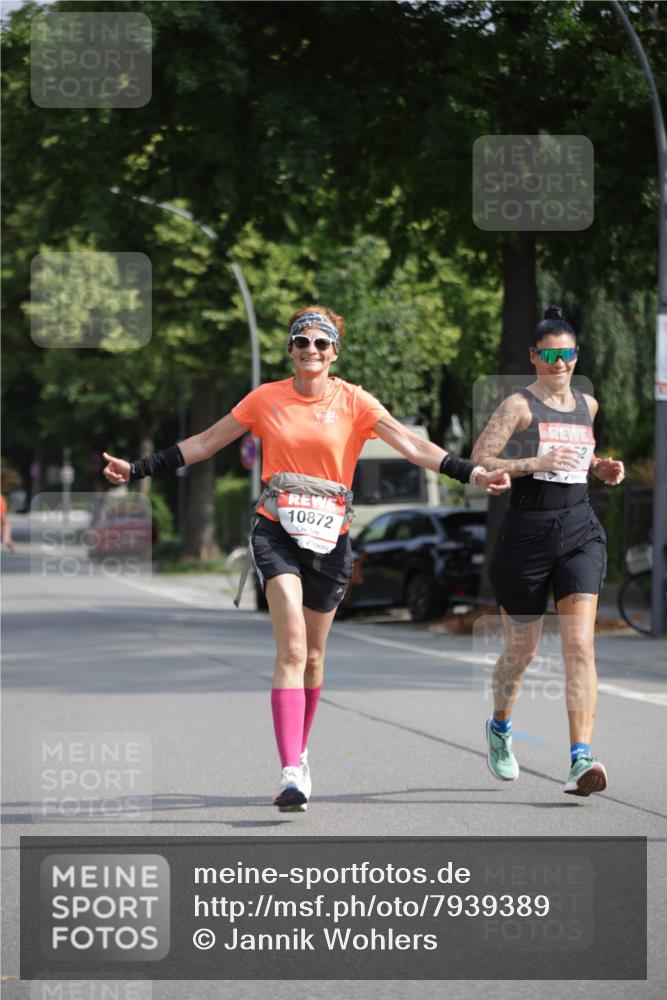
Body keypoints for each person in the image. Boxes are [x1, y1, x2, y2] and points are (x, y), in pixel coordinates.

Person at [103, 306, 510, 811]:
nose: (311, 350)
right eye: (302, 342)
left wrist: (472, 474)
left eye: (321, 343)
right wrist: (138, 467)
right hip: (276, 532)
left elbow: (412, 446)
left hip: (332, 538)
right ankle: (290, 768)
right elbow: (206, 443)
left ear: (334, 352)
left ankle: (301, 747)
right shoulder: (264, 399)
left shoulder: (355, 402)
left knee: (315, 657)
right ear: (290, 350)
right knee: (292, 648)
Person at [471, 305, 624, 797]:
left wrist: (599, 467)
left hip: (579, 531)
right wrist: (534, 461)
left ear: (577, 356)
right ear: (534, 357)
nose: (559, 363)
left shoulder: (589, 404)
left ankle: (581, 759)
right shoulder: (518, 405)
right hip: (526, 537)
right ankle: (500, 726)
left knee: (580, 646)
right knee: (523, 648)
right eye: (550, 355)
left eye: (568, 354)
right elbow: (480, 460)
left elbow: (580, 457)